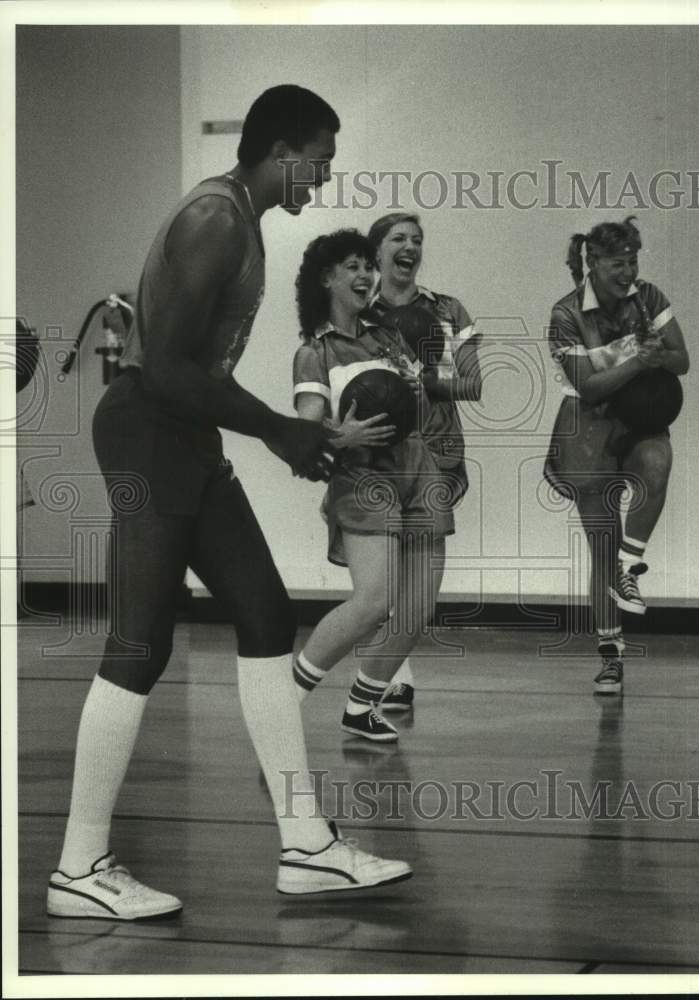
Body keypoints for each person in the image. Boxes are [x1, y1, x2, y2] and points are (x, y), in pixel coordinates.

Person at [47, 86, 412, 921]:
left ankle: (307, 846)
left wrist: (280, 433)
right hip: (149, 431)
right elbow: (169, 368)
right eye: (318, 163)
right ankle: (79, 865)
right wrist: (279, 430)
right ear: (282, 151)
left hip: (183, 437)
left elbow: (194, 378)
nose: (321, 180)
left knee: (264, 611)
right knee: (139, 645)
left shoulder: (240, 220)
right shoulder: (215, 220)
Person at [291, 229, 454, 742]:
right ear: (327, 279)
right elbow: (305, 430)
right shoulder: (315, 352)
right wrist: (343, 434)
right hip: (363, 475)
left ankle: (363, 705)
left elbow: (422, 403)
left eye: (368, 265)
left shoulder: (389, 336)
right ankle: (282, 702)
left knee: (416, 607)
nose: (366, 275)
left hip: (418, 470)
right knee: (373, 603)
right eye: (353, 267)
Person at [544, 216, 689, 695]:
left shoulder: (649, 297)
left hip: (638, 419)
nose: (628, 271)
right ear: (594, 263)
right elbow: (588, 387)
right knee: (600, 550)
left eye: (633, 260)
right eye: (617, 263)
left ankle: (633, 565)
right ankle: (610, 657)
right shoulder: (565, 314)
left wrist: (659, 359)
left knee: (658, 463)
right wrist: (640, 360)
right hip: (587, 429)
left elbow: (681, 359)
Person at [363, 213, 482, 714]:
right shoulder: (358, 311)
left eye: (417, 239)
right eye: (398, 239)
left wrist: (425, 381)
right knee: (376, 581)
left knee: (417, 586)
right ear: (377, 253)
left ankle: (387, 673)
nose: (410, 246)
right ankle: (389, 679)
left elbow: (472, 383)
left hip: (435, 454)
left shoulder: (447, 309)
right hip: (376, 456)